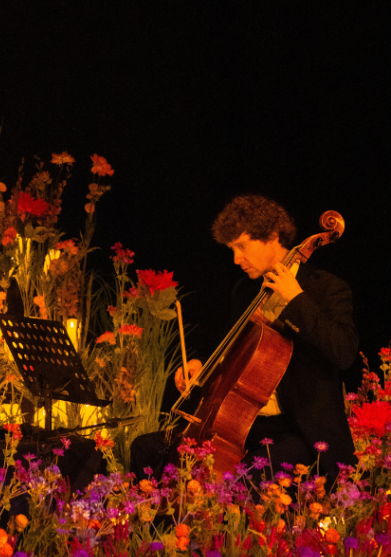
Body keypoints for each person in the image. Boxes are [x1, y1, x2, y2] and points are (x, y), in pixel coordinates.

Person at [132, 194, 357, 481]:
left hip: (297, 432)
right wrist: (202, 367)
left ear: (273, 237)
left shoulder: (327, 288)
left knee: (248, 474)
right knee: (146, 449)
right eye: (232, 249)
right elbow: (236, 355)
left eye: (242, 246)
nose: (237, 259)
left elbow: (344, 352)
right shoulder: (245, 291)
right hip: (243, 427)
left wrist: (296, 299)